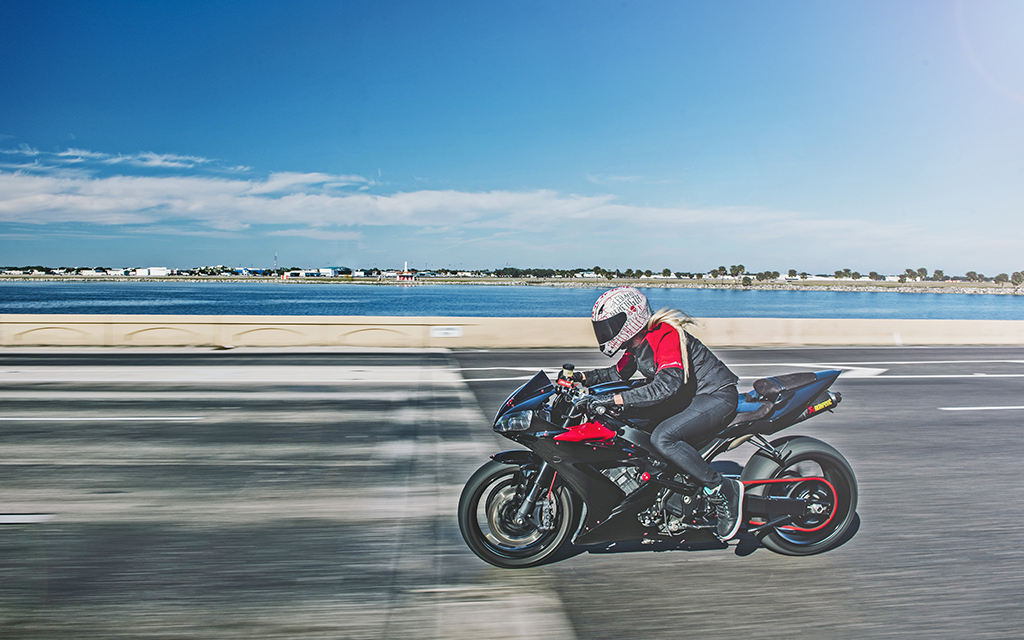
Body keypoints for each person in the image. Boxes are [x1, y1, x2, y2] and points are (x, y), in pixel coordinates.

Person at [566, 287, 743, 540]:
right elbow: (616, 375)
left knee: (663, 438)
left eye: (610, 325)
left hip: (716, 395)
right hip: (691, 397)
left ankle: (721, 488)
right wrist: (580, 378)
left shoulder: (665, 334)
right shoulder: (635, 345)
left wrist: (616, 399)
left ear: (631, 317)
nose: (605, 332)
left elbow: (666, 386)